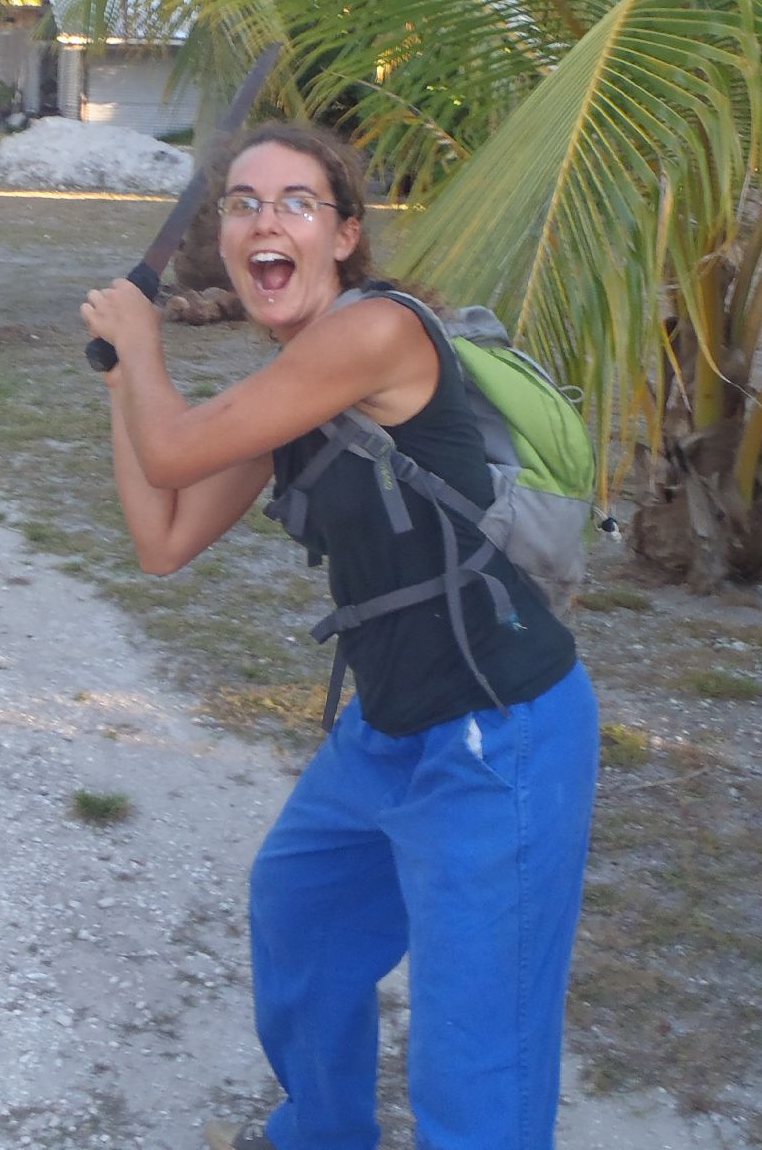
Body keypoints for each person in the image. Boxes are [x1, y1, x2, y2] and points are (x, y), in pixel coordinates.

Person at [80, 122, 599, 1150]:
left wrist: (140, 347)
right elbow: (162, 536)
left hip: (499, 738)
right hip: (389, 730)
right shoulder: (292, 390)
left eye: (294, 202)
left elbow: (174, 445)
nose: (261, 219)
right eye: (240, 203)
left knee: (474, 1056)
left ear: (345, 236)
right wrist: (120, 383)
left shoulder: (375, 334)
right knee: (300, 914)